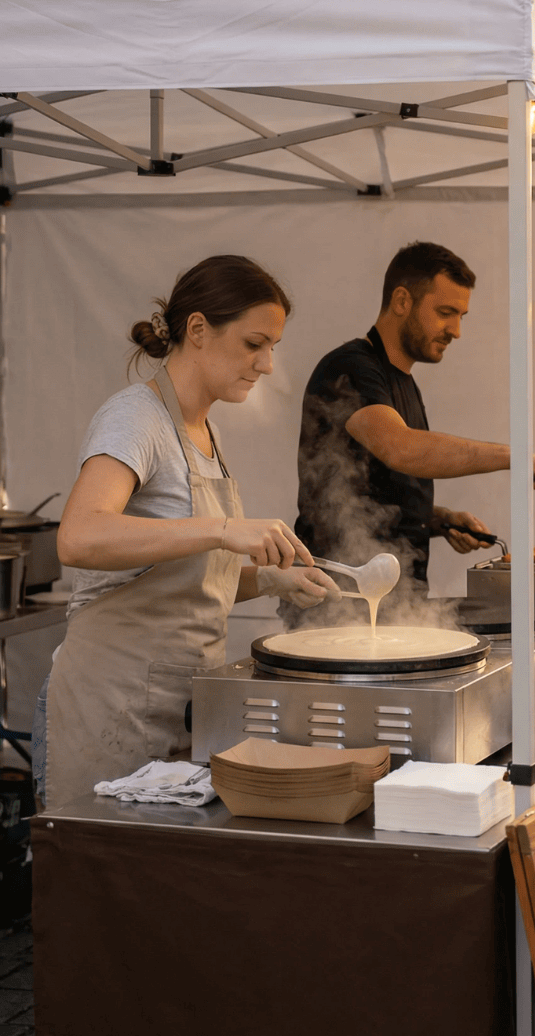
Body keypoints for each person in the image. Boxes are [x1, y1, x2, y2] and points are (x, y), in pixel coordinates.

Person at [40, 255, 339, 811]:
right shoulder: (136, 418)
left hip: (181, 705)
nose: (267, 364)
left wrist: (271, 580)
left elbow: (187, 580)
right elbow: (79, 536)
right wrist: (222, 529)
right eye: (254, 344)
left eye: (272, 347)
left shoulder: (205, 432)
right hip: (110, 706)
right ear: (198, 329)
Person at [295, 241, 535, 585]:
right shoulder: (349, 367)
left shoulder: (405, 383)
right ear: (402, 301)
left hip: (398, 596)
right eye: (445, 312)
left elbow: (377, 493)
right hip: (340, 593)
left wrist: (438, 519)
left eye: (461, 316)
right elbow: (400, 448)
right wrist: (515, 456)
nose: (456, 331)